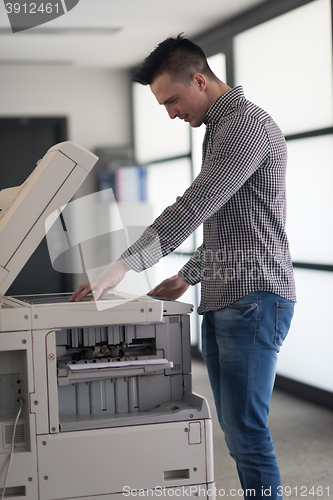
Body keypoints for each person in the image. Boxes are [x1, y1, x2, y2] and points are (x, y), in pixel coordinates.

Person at [70, 34, 296, 499]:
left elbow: (195, 205)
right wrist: (187, 275)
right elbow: (235, 229)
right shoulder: (220, 126)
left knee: (247, 433)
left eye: (172, 100)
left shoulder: (246, 125)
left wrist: (124, 265)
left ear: (199, 79)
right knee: (235, 431)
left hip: (254, 299)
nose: (171, 113)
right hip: (228, 294)